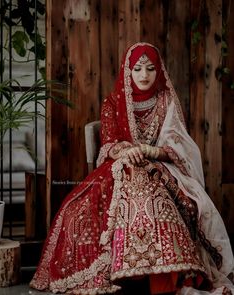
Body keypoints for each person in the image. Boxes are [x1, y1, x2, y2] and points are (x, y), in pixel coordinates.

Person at [30, 42, 234, 295]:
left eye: (150, 68)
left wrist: (152, 152)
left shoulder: (165, 100)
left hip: (161, 167)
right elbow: (109, 143)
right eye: (137, 69)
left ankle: (164, 276)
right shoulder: (113, 102)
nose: (144, 75)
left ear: (159, 71)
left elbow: (179, 144)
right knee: (76, 212)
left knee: (164, 196)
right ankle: (131, 275)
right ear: (128, 71)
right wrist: (127, 151)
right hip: (120, 166)